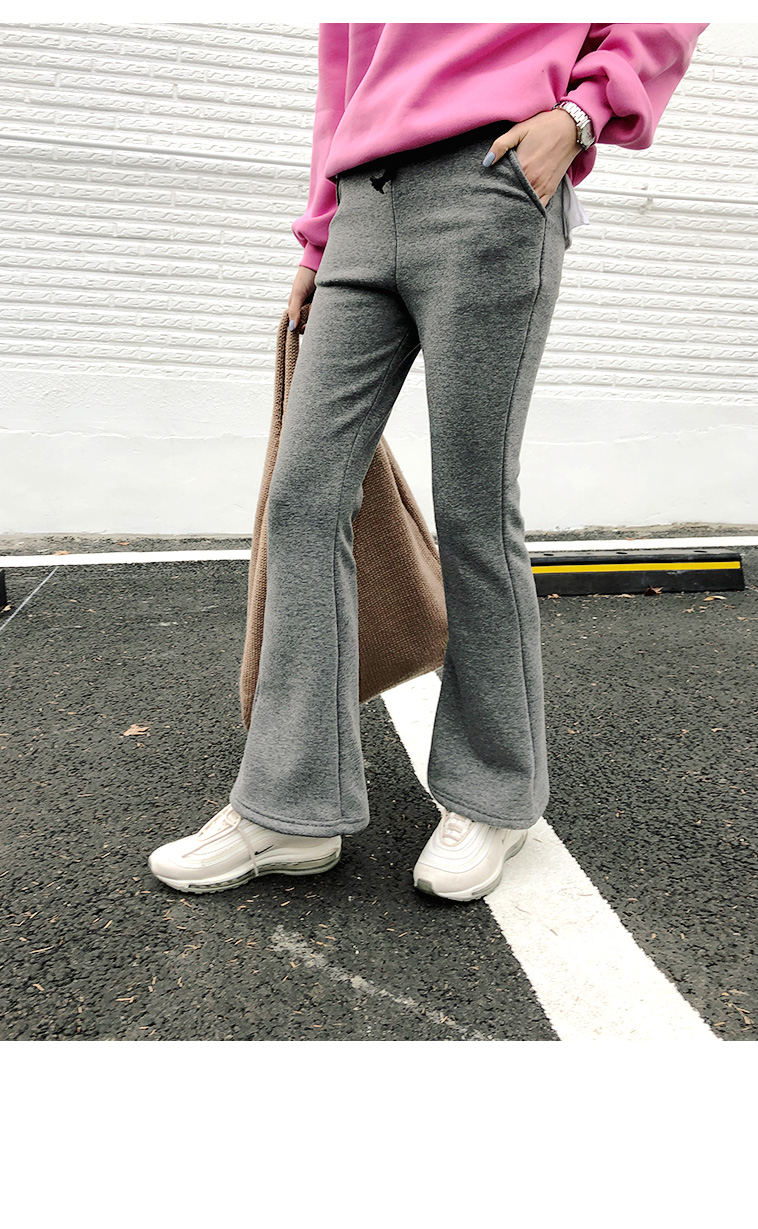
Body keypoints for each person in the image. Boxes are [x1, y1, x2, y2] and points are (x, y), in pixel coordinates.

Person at [148, 22, 708, 902]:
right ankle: (292, 809)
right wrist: (318, 238)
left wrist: (581, 116)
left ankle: (495, 797)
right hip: (362, 203)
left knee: (474, 506)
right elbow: (344, 73)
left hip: (491, 180)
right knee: (301, 498)